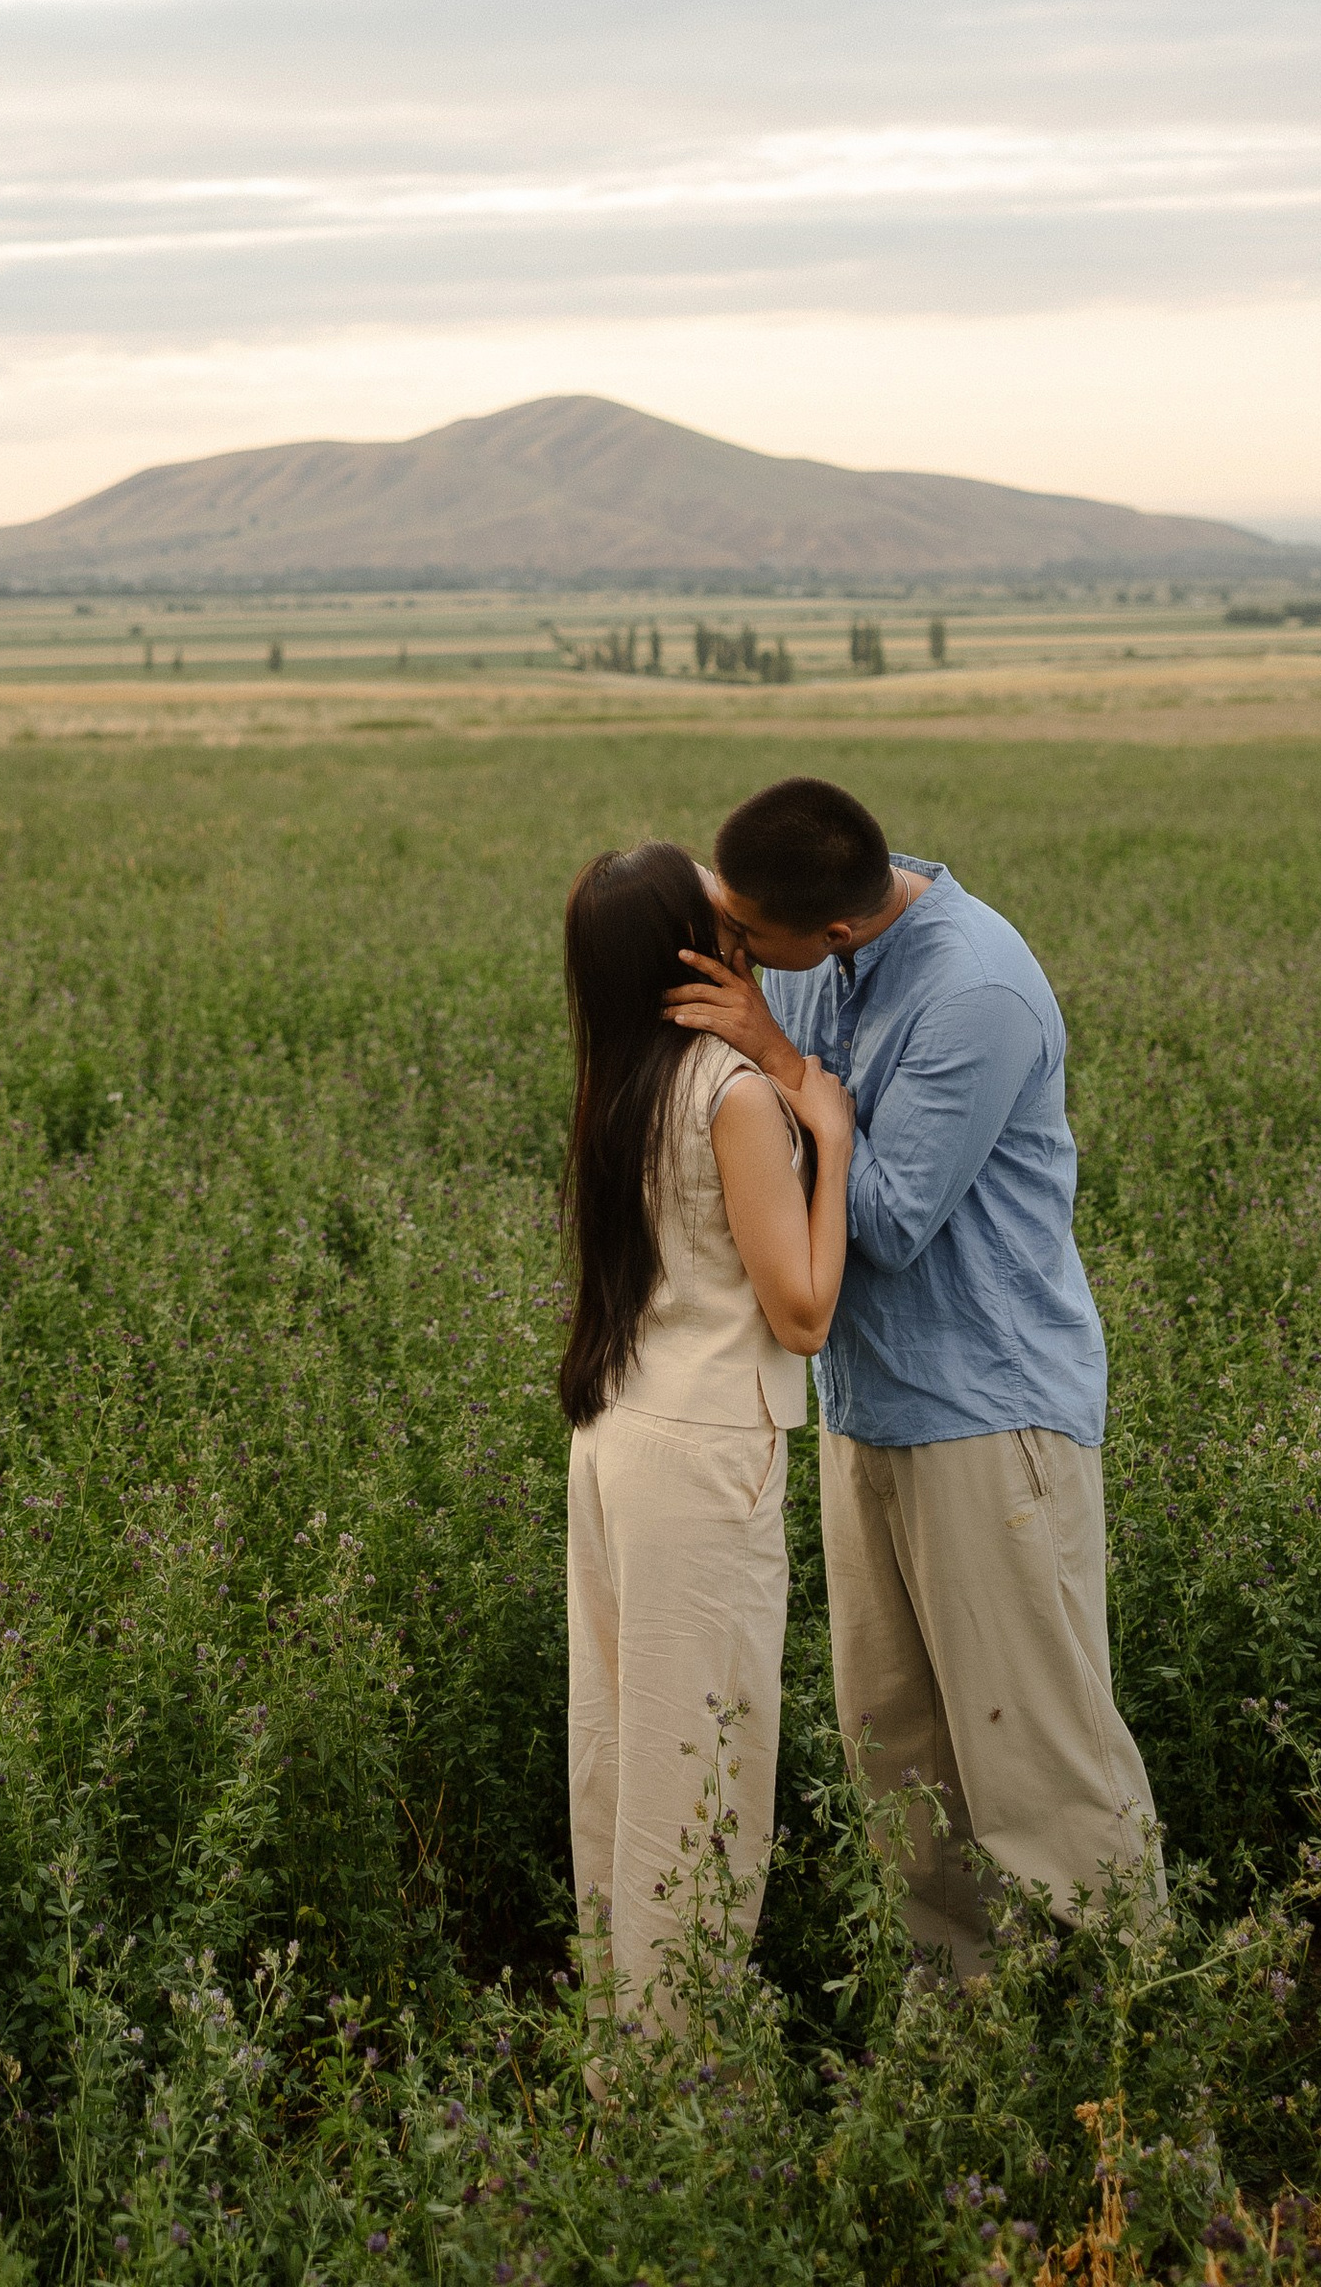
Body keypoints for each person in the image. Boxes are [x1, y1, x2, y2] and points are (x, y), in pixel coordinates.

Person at [666, 773, 1163, 1978]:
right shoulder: (807, 939)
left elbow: (884, 1221)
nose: (737, 956)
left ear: (833, 928)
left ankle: (1140, 2026)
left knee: (1040, 1760)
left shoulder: (974, 990)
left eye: (751, 940)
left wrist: (779, 1059)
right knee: (900, 1755)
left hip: (989, 1414)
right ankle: (963, 2043)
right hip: (867, 1402)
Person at [560, 841, 853, 2029]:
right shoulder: (729, 1094)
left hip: (618, 1436)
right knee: (702, 1782)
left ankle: (618, 2055)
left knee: (621, 1762)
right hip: (701, 1458)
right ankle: (679, 2095)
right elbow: (802, 1312)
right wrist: (825, 1133)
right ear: (693, 945)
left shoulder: (619, 1073)